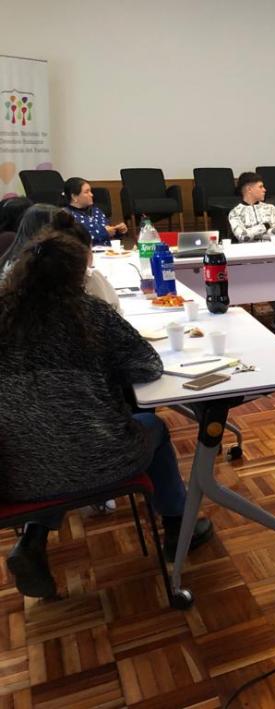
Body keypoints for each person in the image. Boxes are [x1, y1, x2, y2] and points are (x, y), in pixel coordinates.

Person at [0, 230, 213, 598]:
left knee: (48, 443)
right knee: (153, 427)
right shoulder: (89, 314)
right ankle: (179, 525)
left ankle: (33, 541)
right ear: (77, 276)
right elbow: (147, 366)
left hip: (14, 472)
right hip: (97, 461)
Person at [228, 172, 275, 336]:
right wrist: (265, 226)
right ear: (249, 189)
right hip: (249, 259)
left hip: (273, 255)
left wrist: (256, 231)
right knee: (266, 275)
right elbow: (242, 237)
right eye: (261, 187)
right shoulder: (235, 213)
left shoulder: (270, 208)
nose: (265, 190)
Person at [63, 177, 128, 247]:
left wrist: (117, 231)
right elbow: (73, 241)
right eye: (86, 192)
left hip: (107, 253)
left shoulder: (96, 211)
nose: (91, 194)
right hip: (83, 256)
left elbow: (108, 234)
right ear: (74, 197)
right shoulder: (66, 215)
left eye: (90, 191)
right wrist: (103, 233)